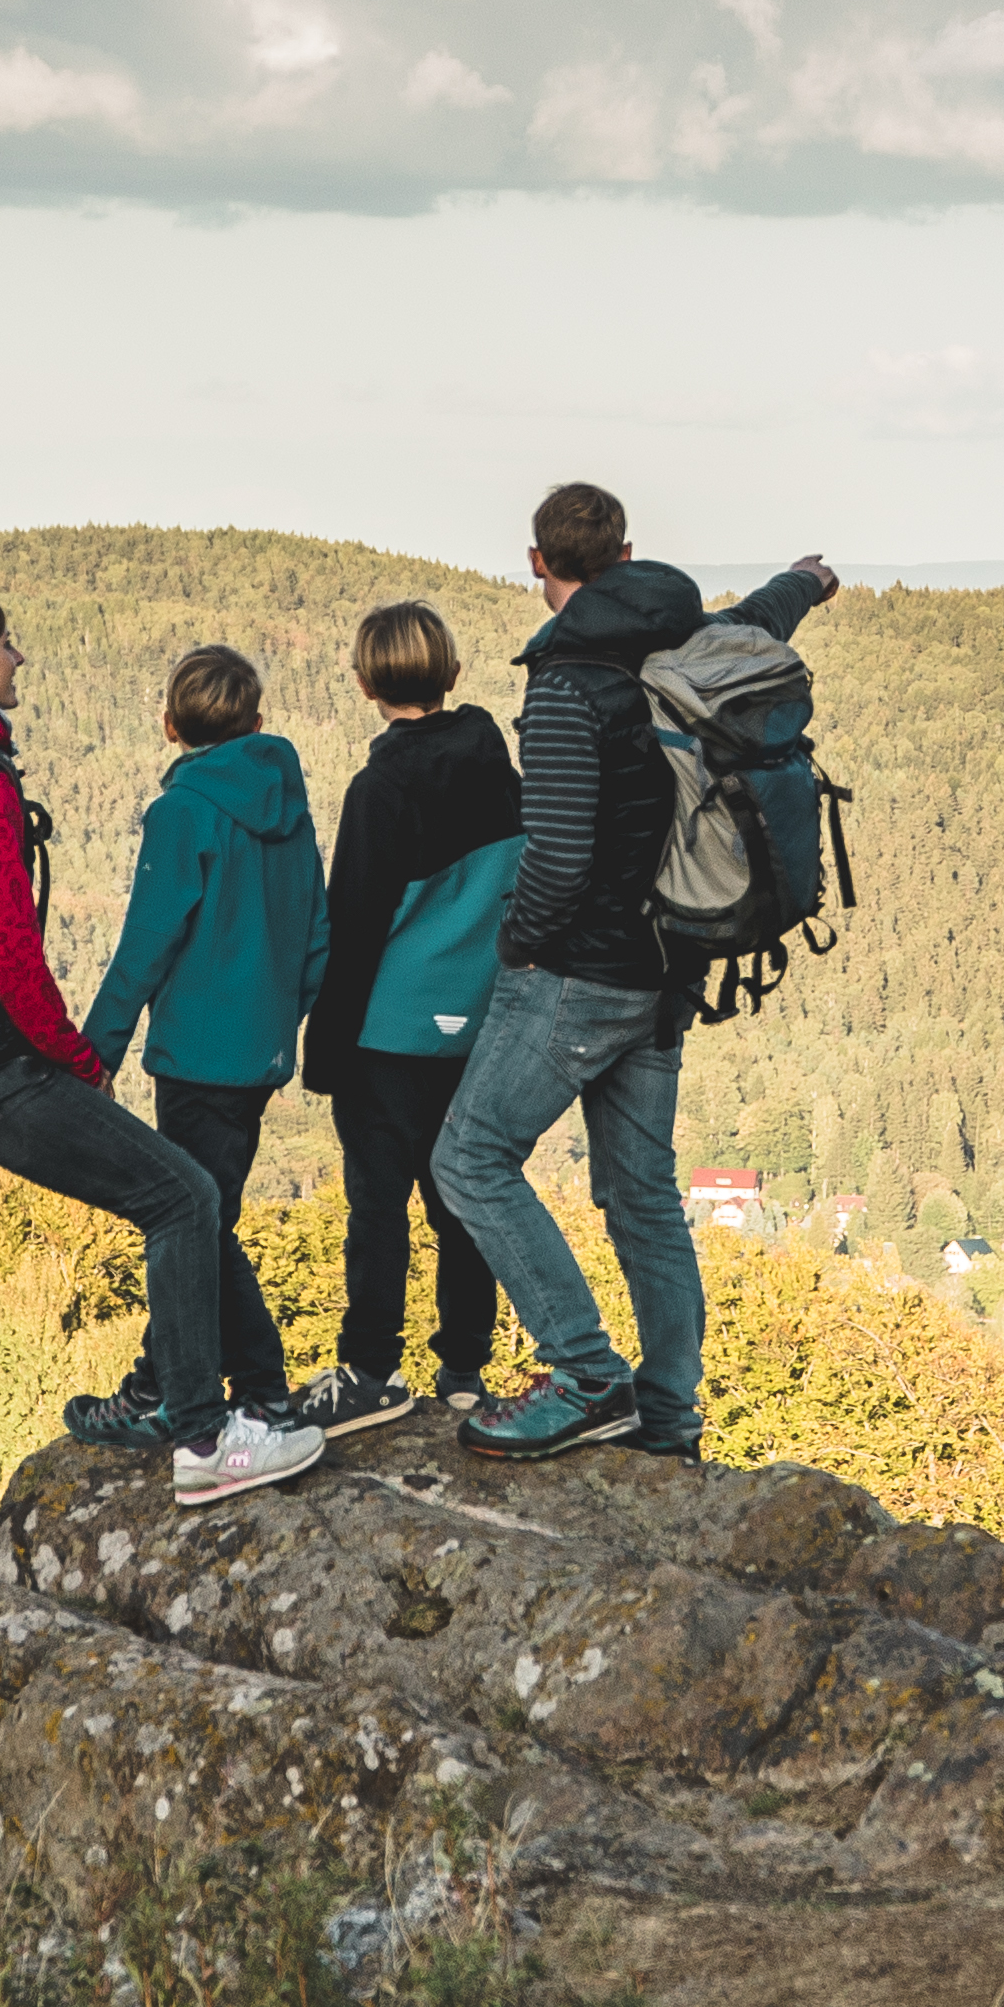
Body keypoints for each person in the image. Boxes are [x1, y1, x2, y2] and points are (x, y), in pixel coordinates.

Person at [0, 583, 317, 1578]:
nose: (18, 661)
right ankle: (205, 1439)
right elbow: (7, 942)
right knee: (183, 1194)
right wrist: (74, 1056)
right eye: (4, 646)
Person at [431, 483, 836, 1462]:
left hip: (581, 973)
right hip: (668, 969)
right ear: (625, 552)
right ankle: (669, 1412)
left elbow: (561, 856)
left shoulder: (568, 681)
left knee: (470, 1158)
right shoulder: (681, 635)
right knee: (642, 1190)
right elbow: (756, 620)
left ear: (540, 563)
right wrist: (804, 579)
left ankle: (585, 1375)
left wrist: (518, 945)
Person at [76, 642, 325, 1430]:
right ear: (257, 723)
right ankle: (164, 1384)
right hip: (259, 1056)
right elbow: (318, 934)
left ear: (168, 725)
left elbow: (147, 939)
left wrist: (96, 1048)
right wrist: (279, 1023)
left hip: (194, 1055)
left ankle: (247, 1389)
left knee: (195, 1223)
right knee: (204, 1217)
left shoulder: (180, 812)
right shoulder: (288, 808)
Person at [288, 599, 521, 1436]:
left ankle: (371, 1368)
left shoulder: (378, 788)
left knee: (379, 1205)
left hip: (388, 1032)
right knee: (462, 1197)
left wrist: (325, 1047)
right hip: (480, 1017)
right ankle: (463, 1370)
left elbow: (354, 927)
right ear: (453, 673)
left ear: (362, 685)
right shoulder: (498, 765)